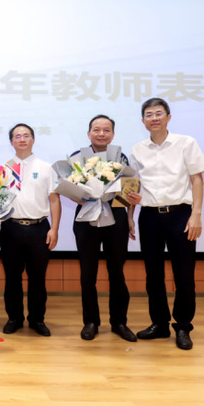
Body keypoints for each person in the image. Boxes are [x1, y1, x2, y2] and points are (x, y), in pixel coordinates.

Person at [128, 97, 204, 350]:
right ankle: (160, 324)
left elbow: (197, 180)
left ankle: (183, 326)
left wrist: (196, 215)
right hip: (149, 216)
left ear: (168, 117)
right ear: (143, 121)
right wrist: (130, 215)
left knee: (184, 274)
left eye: (159, 113)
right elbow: (133, 187)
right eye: (149, 114)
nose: (154, 118)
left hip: (180, 215)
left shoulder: (186, 143)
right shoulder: (137, 150)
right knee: (153, 275)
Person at [69, 115, 136, 342]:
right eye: (96, 130)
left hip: (116, 214)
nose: (101, 134)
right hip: (86, 216)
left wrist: (130, 217)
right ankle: (91, 322)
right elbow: (70, 189)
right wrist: (86, 198)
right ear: (89, 133)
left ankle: (119, 322)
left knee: (117, 272)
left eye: (106, 130)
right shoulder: (77, 158)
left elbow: (128, 190)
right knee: (88, 273)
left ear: (113, 134)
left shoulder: (121, 157)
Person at [0, 123, 61, 336]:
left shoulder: (46, 167)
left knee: (38, 278)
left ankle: (37, 319)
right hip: (10, 228)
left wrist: (55, 229)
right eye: (17, 136)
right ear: (11, 142)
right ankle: (14, 318)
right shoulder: (4, 169)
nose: (22, 139)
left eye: (26, 135)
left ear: (33, 139)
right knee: (12, 277)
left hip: (39, 229)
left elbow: (54, 200)